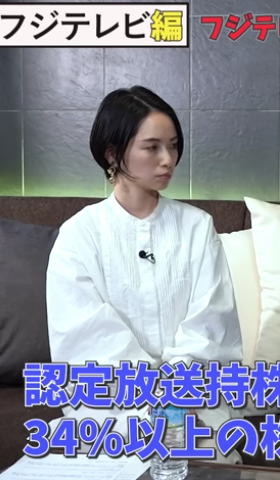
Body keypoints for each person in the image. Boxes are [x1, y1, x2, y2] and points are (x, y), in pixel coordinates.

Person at [45, 86, 244, 464]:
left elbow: (211, 326)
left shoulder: (198, 227)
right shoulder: (79, 235)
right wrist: (151, 400)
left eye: (173, 146)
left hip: (192, 405)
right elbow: (86, 338)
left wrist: (175, 397)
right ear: (112, 153)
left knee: (202, 451)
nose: (168, 159)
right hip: (109, 408)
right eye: (152, 147)